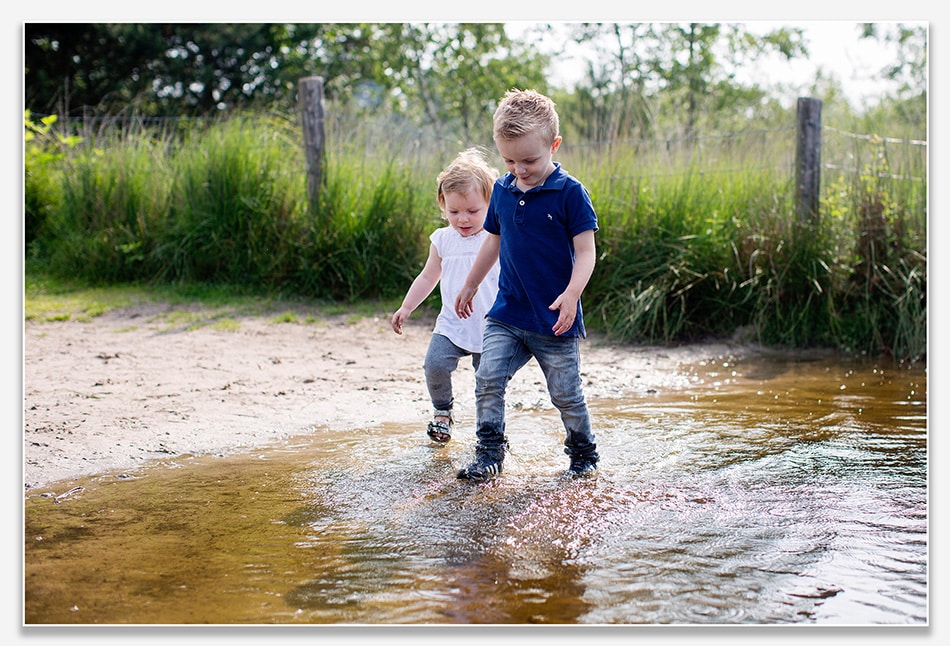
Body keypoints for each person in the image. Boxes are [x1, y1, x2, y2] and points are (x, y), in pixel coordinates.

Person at [454, 88, 599, 480]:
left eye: (530, 159)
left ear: (554, 145)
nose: (520, 169)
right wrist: (470, 284)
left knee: (565, 395)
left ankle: (583, 456)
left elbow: (586, 252)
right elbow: (494, 240)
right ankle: (489, 454)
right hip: (508, 311)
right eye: (509, 160)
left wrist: (571, 295)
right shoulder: (501, 190)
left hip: (555, 317)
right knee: (487, 378)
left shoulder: (570, 193)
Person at [391, 148, 501, 444]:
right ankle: (443, 412)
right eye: (454, 212)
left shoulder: (495, 239)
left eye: (472, 211)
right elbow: (428, 276)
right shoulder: (442, 240)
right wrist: (407, 306)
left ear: (491, 204)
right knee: (434, 364)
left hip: (491, 325)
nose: (463, 219)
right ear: (443, 206)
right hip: (451, 324)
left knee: (488, 382)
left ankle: (489, 431)